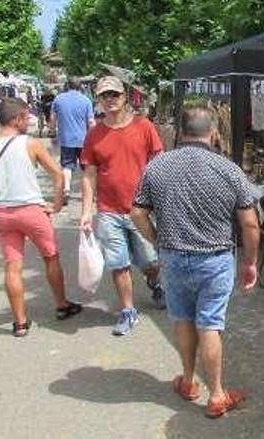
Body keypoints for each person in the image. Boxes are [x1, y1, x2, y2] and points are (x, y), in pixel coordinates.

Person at [131, 106, 259, 418]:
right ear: (213, 132)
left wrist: (158, 240)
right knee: (210, 324)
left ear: (180, 131)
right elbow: (251, 224)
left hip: (173, 257)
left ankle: (188, 381)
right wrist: (250, 262)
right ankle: (216, 395)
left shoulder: (157, 167)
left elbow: (137, 212)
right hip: (214, 259)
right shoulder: (228, 170)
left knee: (183, 319)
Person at [0, 98, 81, 337]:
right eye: (26, 117)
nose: (28, 121)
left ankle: (20, 323)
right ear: (18, 118)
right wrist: (58, 205)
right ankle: (61, 305)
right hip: (32, 211)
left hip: (3, 214)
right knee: (50, 257)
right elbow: (58, 175)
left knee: (12, 266)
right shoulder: (30, 144)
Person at [80, 76, 165, 336]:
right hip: (108, 210)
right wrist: (86, 211)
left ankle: (154, 280)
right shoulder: (94, 135)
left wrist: (160, 198)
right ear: (99, 99)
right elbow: (89, 175)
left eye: (114, 94)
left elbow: (158, 161)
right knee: (118, 263)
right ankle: (127, 311)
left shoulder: (144, 126)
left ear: (125, 96)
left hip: (140, 209)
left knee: (150, 260)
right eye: (105, 95)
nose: (110, 100)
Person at [51, 80, 94, 204]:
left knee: (67, 166)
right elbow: (90, 121)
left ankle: (66, 190)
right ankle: (89, 193)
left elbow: (53, 118)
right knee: (86, 167)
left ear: (67, 86)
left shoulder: (58, 99)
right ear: (80, 87)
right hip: (83, 140)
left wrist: (53, 132)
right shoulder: (86, 100)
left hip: (65, 139)